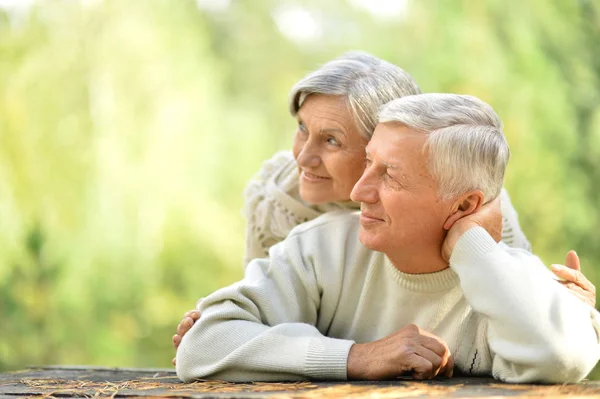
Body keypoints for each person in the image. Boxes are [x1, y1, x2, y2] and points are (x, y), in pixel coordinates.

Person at [172, 54, 596, 359]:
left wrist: (562, 309)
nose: (303, 157)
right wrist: (235, 329)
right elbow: (254, 318)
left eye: (332, 140)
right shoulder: (282, 201)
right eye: (302, 129)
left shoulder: (480, 211)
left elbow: (519, 301)